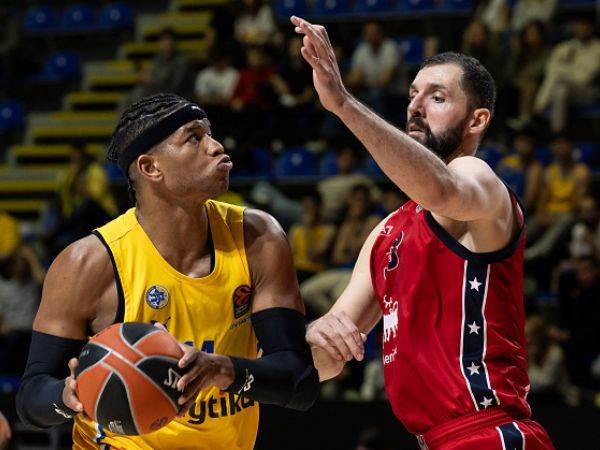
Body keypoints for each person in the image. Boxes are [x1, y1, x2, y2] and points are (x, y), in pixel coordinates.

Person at [291, 15, 554, 449]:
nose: (415, 106)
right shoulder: (386, 231)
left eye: (437, 97)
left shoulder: (479, 180)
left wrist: (342, 103)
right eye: (413, 94)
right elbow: (327, 360)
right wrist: (313, 334)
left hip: (488, 431)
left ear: (476, 120)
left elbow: (442, 189)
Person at [16, 93, 320, 449]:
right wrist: (69, 396)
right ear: (151, 168)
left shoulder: (258, 238)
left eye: (210, 134)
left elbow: (299, 380)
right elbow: (31, 397)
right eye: (194, 138)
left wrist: (222, 369)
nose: (216, 146)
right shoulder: (87, 264)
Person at [533, 18, 600, 133]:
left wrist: (566, 68)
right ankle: (558, 132)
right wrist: (569, 70)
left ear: (591, 29)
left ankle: (538, 107)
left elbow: (585, 78)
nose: (581, 30)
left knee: (559, 72)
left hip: (589, 91)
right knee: (561, 90)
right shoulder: (565, 46)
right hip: (564, 88)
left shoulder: (597, 48)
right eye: (578, 27)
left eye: (584, 27)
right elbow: (549, 69)